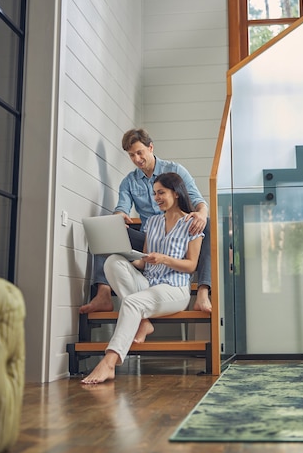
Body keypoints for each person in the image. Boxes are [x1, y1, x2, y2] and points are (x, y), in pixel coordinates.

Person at [81, 172, 204, 384]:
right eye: (154, 193)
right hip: (148, 282)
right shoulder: (153, 222)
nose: (156, 197)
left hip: (174, 289)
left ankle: (109, 362)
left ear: (175, 193)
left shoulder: (191, 223)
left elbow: (191, 265)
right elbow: (144, 261)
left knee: (131, 301)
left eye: (161, 192)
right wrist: (127, 257)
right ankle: (144, 321)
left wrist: (164, 259)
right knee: (112, 261)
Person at [80, 128, 212, 314]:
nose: (136, 159)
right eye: (131, 155)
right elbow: (121, 209)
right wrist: (118, 217)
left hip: (180, 240)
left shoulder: (175, 170)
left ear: (151, 148)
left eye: (139, 152)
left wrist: (200, 213)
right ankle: (103, 294)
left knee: (209, 223)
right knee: (105, 230)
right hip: (149, 239)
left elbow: (200, 202)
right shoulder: (129, 182)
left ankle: (203, 293)